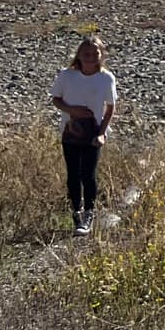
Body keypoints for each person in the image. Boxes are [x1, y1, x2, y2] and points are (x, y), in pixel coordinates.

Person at [50, 34, 117, 235]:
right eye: (86, 54)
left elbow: (110, 107)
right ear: (79, 55)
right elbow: (55, 99)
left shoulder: (106, 78)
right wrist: (72, 110)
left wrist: (102, 133)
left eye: (95, 54)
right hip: (70, 132)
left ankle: (89, 212)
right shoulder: (66, 76)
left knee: (88, 174)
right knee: (73, 174)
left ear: (101, 55)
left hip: (93, 132)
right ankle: (76, 211)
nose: (90, 57)